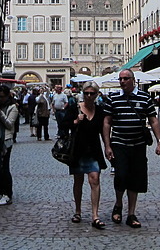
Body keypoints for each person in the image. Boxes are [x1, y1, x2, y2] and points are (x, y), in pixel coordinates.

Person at [102, 69, 160, 229]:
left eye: (125, 79)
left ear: (133, 80)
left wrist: (159, 141)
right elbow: (107, 122)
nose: (122, 82)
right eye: (120, 79)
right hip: (119, 144)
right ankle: (118, 204)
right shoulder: (113, 98)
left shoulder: (144, 98)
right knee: (121, 176)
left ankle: (131, 213)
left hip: (138, 145)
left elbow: (153, 120)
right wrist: (107, 145)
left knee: (135, 179)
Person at [62, 81, 107, 229]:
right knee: (78, 181)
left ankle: (95, 215)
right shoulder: (75, 108)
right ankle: (78, 211)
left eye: (92, 93)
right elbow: (64, 124)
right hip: (78, 150)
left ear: (96, 94)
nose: (88, 96)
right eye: (86, 93)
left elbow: (104, 130)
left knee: (95, 179)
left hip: (93, 150)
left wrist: (108, 147)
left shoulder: (100, 111)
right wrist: (76, 121)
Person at [0, 85, 18, 206]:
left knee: (4, 167)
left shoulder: (13, 108)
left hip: (6, 140)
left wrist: (0, 113)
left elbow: (10, 124)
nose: (0, 99)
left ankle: (7, 194)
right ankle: (0, 191)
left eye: (2, 97)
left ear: (7, 96)